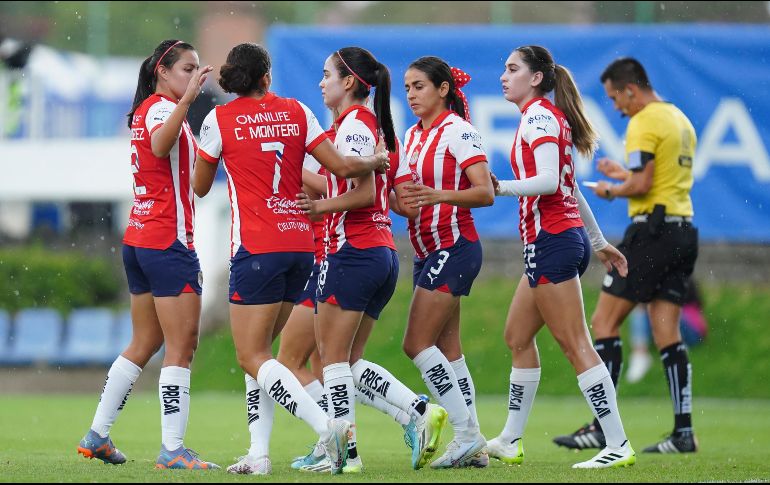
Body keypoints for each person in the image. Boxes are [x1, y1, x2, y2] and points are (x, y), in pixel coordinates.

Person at [191, 42, 390, 475]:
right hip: (301, 246)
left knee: (250, 356)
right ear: (267, 77)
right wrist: (375, 159)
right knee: (262, 359)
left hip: (256, 248)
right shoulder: (298, 111)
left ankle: (328, 429)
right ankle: (258, 455)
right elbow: (339, 167)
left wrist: (208, 150)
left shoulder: (218, 118)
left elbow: (200, 187)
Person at [288, 46, 447, 474]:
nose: (321, 82)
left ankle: (345, 452)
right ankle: (414, 411)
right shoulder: (355, 124)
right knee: (344, 360)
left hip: (354, 251)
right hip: (375, 253)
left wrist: (318, 207)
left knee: (330, 360)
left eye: (327, 75)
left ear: (349, 82)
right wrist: (286, 164)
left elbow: (359, 193)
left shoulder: (356, 124)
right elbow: (355, 184)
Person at [486, 45, 636, 469]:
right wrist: (600, 241)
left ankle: (617, 443)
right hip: (550, 242)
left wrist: (501, 188)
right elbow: (568, 188)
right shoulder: (540, 117)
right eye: (504, 67)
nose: (504, 75)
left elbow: (551, 183)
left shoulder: (538, 117)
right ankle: (511, 439)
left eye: (512, 68)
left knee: (575, 345)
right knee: (517, 336)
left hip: (552, 241)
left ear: (536, 78)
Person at [77, 39, 219, 470]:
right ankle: (173, 450)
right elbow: (160, 146)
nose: (194, 76)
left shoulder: (147, 110)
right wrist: (190, 99)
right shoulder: (162, 110)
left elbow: (187, 175)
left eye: (196, 69)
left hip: (140, 240)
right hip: (166, 242)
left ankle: (97, 434)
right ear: (162, 71)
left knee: (146, 341)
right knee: (183, 346)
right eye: (186, 69)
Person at [555, 57, 699, 454]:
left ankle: (603, 428)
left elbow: (644, 183)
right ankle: (683, 432)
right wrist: (624, 175)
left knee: (603, 321)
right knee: (666, 331)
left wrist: (611, 190)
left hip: (651, 232)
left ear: (630, 89)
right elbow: (660, 179)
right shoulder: (678, 118)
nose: (617, 107)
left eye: (616, 98)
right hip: (683, 229)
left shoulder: (644, 122)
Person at [398, 56, 495, 469]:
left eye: (419, 86)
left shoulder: (459, 131)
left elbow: (485, 192)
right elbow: (409, 202)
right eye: (406, 88)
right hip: (426, 250)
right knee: (448, 350)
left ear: (442, 89)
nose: (411, 95)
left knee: (415, 343)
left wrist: (438, 196)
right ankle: (474, 442)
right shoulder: (410, 135)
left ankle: (466, 434)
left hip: (453, 246)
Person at [626, 279, 707, 383]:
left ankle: (677, 345)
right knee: (639, 312)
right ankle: (640, 354)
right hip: (668, 322)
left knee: (665, 310)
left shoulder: (680, 276)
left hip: (692, 328)